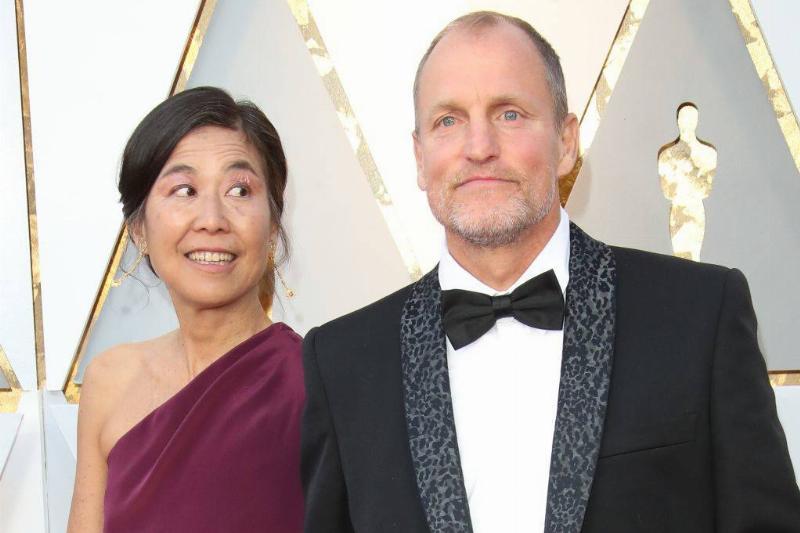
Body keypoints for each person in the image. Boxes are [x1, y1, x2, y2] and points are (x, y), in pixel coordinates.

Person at [301, 11, 800, 533]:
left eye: (510, 114)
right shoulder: (343, 363)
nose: (479, 147)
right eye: (448, 120)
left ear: (566, 142)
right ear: (420, 157)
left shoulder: (700, 314)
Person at [68, 87, 304, 533]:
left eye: (239, 189)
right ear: (139, 229)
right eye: (184, 190)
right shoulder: (110, 380)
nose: (211, 218)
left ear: (272, 223)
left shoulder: (319, 384)